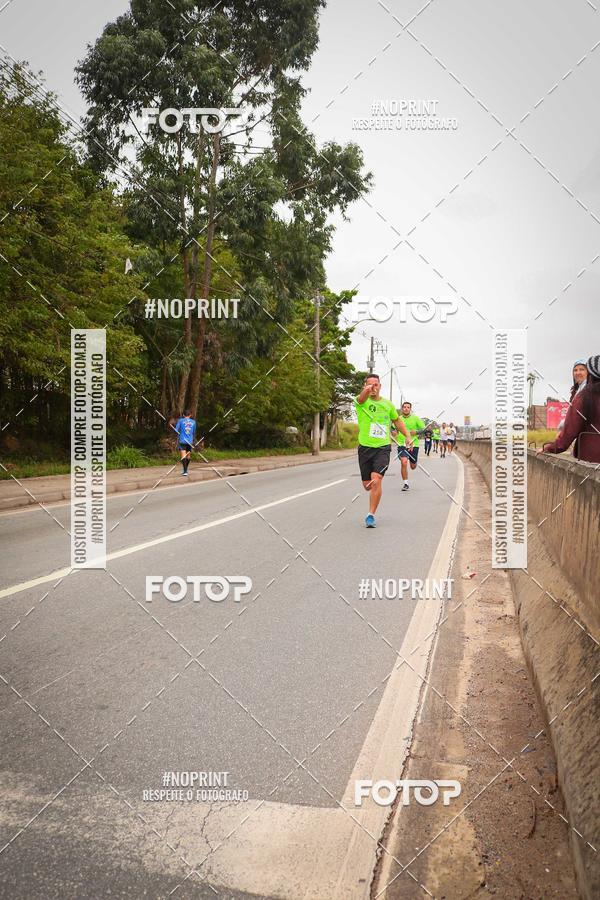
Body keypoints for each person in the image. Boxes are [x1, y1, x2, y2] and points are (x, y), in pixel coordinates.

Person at [355, 374, 413, 527]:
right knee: (367, 485)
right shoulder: (361, 402)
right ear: (365, 386)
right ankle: (372, 498)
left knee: (376, 480)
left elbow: (397, 421)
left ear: (380, 386)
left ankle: (370, 515)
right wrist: (366, 391)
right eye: (369, 384)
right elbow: (361, 398)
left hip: (382, 448)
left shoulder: (387, 405)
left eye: (376, 384)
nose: (373, 387)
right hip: (365, 447)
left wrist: (407, 435)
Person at [542, 354, 600, 463]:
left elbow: (568, 434)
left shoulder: (584, 397)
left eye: (582, 369)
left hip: (591, 458)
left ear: (589, 374)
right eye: (575, 370)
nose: (578, 373)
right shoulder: (577, 392)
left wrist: (549, 447)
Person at [396, 401, 426, 491]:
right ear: (402, 409)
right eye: (404, 407)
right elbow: (393, 428)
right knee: (404, 462)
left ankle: (413, 461)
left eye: (408, 407)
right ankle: (406, 483)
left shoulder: (415, 418)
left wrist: (416, 432)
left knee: (413, 466)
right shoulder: (398, 419)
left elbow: (424, 429)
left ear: (410, 409)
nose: (406, 408)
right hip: (402, 444)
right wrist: (393, 432)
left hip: (414, 444)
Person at [174, 409, 197, 476]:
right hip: (190, 441)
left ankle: (185, 471)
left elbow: (176, 430)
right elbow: (194, 432)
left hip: (182, 441)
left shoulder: (180, 420)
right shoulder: (194, 422)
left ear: (183, 415)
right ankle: (185, 470)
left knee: (183, 456)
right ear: (190, 415)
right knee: (188, 456)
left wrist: (179, 431)